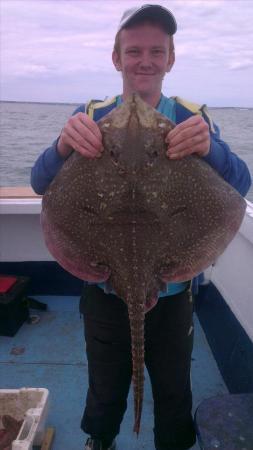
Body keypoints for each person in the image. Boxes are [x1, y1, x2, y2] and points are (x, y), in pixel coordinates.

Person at [31, 5, 252, 450]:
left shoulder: (193, 117)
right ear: (117, 58)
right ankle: (101, 437)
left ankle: (172, 441)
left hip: (173, 291)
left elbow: (240, 185)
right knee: (105, 377)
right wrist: (62, 143)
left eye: (157, 50)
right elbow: (42, 183)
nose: (145, 60)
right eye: (134, 51)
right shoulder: (90, 114)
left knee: (174, 381)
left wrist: (210, 149)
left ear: (170, 58)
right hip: (104, 287)